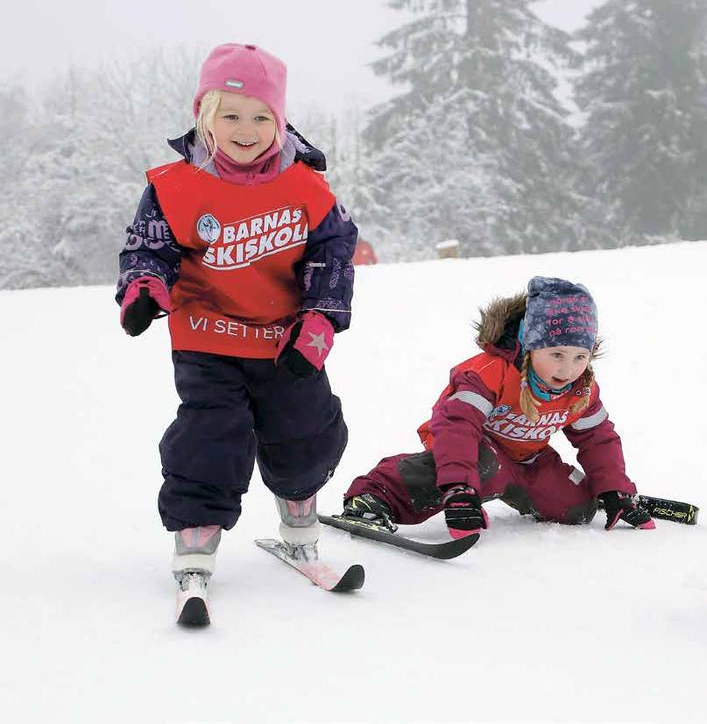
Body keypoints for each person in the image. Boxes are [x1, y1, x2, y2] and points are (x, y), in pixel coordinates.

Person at [115, 43, 357, 609]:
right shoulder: (174, 186)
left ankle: (300, 524)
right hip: (207, 334)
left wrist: (317, 327)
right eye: (230, 115)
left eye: (259, 117)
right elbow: (148, 249)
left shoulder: (305, 187)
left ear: (279, 120)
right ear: (205, 116)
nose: (245, 130)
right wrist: (143, 290)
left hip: (285, 339)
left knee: (305, 430)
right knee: (211, 433)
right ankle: (196, 538)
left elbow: (333, 258)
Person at [341, 277, 655, 539]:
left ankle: (590, 495)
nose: (569, 368)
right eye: (557, 354)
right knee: (484, 463)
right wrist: (459, 489)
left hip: (526, 459)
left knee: (577, 508)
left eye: (579, 357)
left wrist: (613, 489)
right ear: (532, 347)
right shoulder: (489, 373)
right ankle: (376, 493)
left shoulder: (581, 389)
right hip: (469, 450)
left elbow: (597, 439)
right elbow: (457, 426)